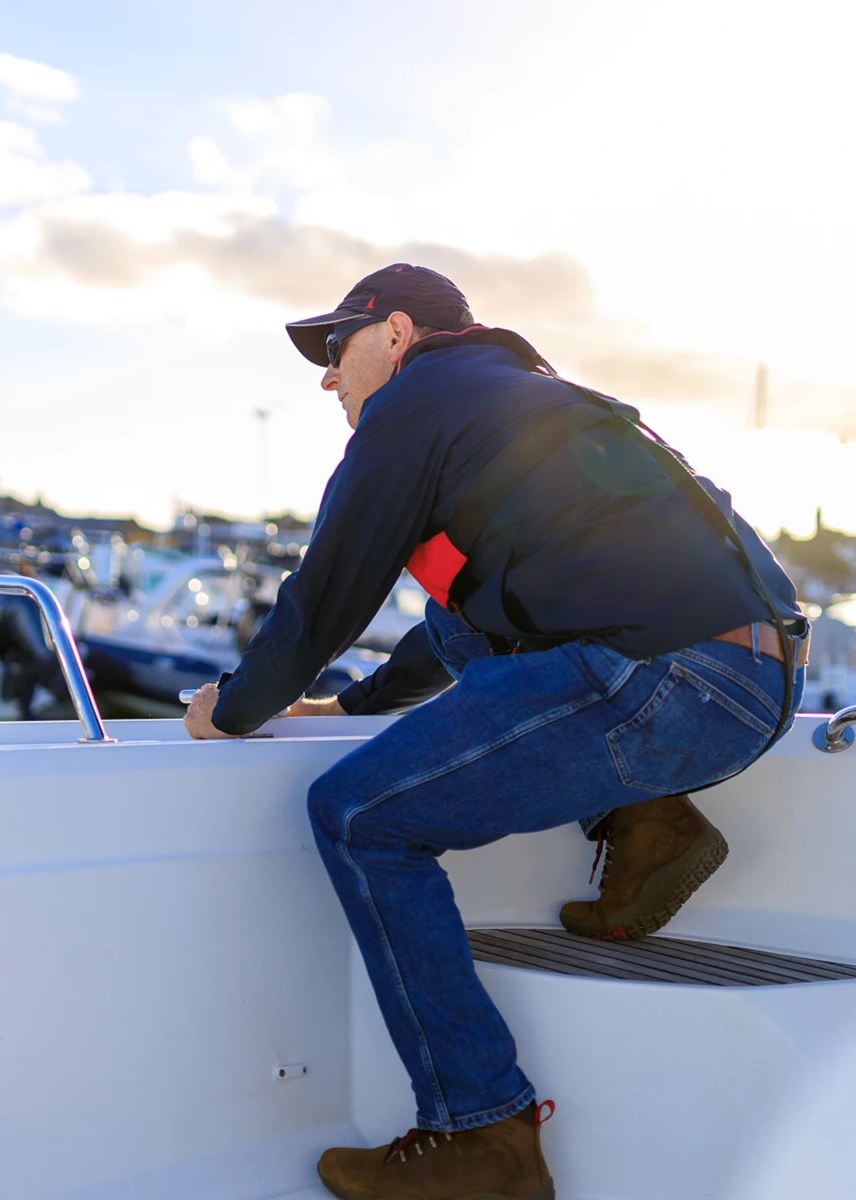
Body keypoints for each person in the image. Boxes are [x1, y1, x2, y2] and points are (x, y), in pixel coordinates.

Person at [184, 264, 807, 1200]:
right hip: (755, 683)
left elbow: (325, 601)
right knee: (482, 643)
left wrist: (233, 709)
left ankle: (482, 1132)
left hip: (667, 684)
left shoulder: (417, 403)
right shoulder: (530, 404)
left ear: (397, 333)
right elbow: (468, 623)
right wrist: (343, 709)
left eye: (335, 346)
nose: (324, 376)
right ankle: (653, 821)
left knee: (360, 817)